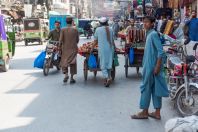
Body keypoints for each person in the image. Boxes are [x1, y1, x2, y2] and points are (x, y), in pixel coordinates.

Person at [131, 16, 168, 120]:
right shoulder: (149, 34)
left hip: (152, 67)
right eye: (144, 22)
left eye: (147, 22)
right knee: (155, 89)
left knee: (145, 88)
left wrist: (156, 67)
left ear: (152, 23)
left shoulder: (153, 35)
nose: (145, 24)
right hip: (151, 66)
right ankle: (157, 113)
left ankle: (144, 112)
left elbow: (161, 52)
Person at [92, 17, 115, 87]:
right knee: (109, 64)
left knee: (103, 65)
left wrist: (92, 47)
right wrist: (115, 47)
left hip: (102, 49)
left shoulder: (98, 30)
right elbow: (113, 40)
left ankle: (107, 78)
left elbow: (95, 41)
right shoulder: (111, 29)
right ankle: (109, 76)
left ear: (100, 23)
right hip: (110, 49)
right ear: (106, 22)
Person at [59, 17, 79, 84]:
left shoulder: (63, 29)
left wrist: (59, 47)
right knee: (73, 63)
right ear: (72, 21)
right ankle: (72, 78)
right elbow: (77, 40)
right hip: (73, 48)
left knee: (64, 62)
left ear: (66, 22)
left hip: (65, 49)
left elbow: (60, 40)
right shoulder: (75, 29)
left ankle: (66, 75)